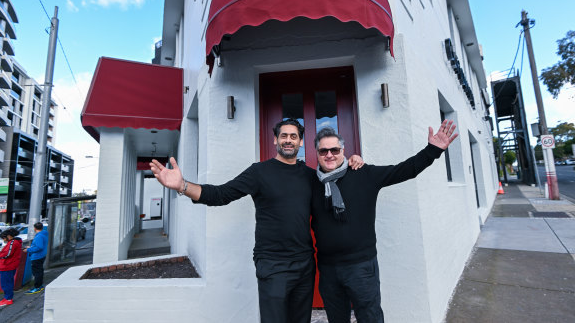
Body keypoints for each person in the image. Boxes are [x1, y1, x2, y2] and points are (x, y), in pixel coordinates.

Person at [150, 118, 362, 323]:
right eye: (284, 135)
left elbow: (335, 184)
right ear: (275, 140)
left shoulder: (310, 176)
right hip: (272, 264)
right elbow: (220, 194)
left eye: (294, 136)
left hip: (304, 264)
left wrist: (352, 162)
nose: (288, 140)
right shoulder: (259, 172)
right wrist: (182, 186)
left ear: (300, 142)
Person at [311, 120, 459, 323]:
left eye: (334, 149)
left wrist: (432, 150)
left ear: (343, 150)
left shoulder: (363, 173)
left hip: (361, 267)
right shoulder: (311, 183)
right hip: (328, 270)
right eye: (323, 151)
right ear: (317, 154)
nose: (329, 155)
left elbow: (405, 170)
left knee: (370, 317)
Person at [0, 228, 22, 307]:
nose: (4, 240)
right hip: (8, 266)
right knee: (7, 283)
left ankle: (8, 299)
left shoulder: (13, 243)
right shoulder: (14, 242)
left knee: (6, 284)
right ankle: (7, 298)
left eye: (4, 238)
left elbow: (7, 254)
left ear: (8, 236)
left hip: (8, 266)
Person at [23, 222, 48, 294]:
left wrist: (28, 250)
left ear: (35, 228)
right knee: (39, 271)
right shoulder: (44, 234)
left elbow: (39, 247)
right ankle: (39, 286)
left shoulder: (39, 236)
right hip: (42, 255)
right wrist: (31, 247)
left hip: (37, 256)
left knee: (36, 272)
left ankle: (37, 287)